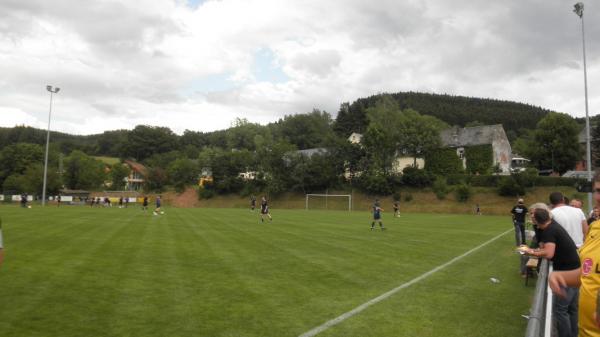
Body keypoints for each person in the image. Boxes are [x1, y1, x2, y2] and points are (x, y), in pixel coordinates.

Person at [523, 203, 581, 337]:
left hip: (567, 273)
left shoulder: (550, 230)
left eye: (533, 215)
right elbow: (544, 247)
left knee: (561, 310)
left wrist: (530, 251)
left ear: (537, 219)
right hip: (573, 270)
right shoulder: (551, 226)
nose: (531, 217)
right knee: (572, 308)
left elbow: (548, 253)